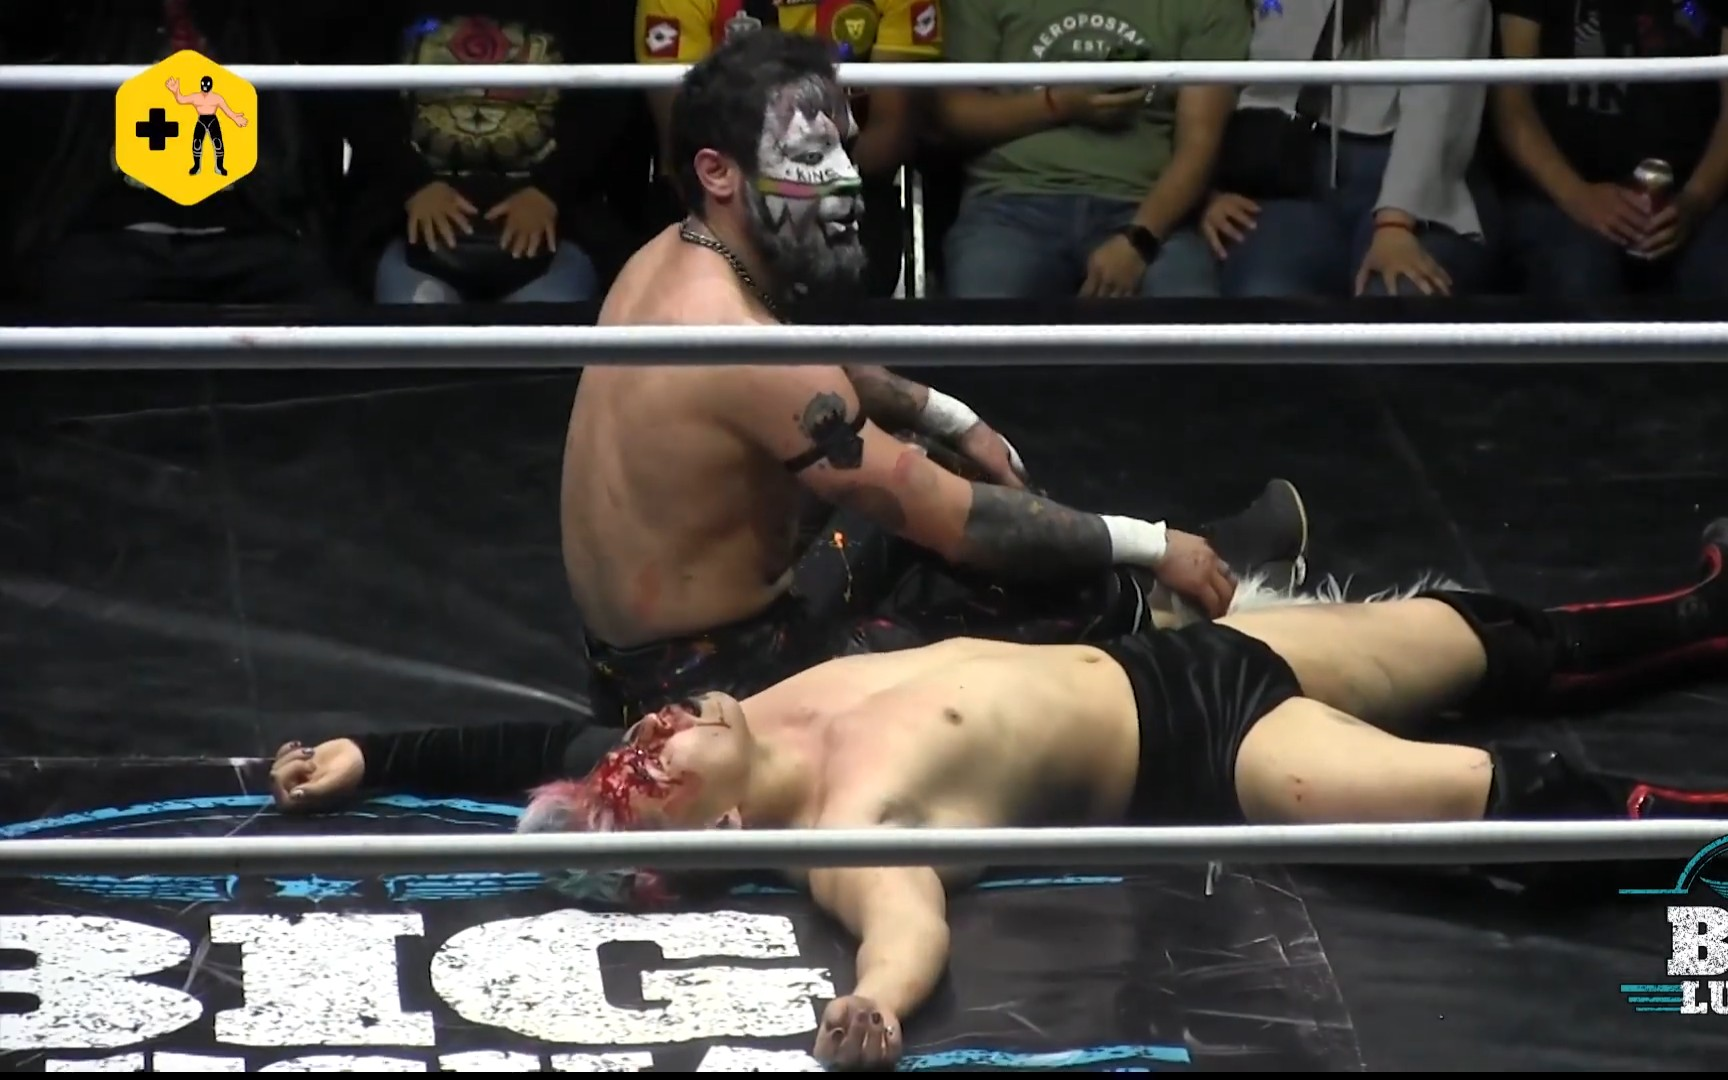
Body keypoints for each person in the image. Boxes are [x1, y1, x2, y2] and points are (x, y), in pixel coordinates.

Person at [273, 517, 1728, 1069]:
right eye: (650, 770)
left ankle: (1708, 608)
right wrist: (874, 1009)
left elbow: (538, 747)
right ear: (718, 828)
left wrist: (375, 757)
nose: (649, 733)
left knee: (1496, 637)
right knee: (1492, 798)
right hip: (1218, 756)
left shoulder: (761, 711)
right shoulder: (852, 829)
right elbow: (904, 929)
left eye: (640, 741)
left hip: (1181, 656)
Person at [561, 27, 1310, 755]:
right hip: (715, 700)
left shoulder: (671, 258)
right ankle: (1181, 601)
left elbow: (813, 373)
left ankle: (1169, 579)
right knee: (989, 586)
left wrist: (954, 417)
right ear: (718, 173)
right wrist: (1149, 541)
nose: (848, 178)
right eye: (812, 156)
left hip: (639, 663)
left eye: (845, 147)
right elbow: (956, 519)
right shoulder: (740, 340)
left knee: (938, 468)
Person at [1200, 0, 1499, 299]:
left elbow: (1437, 100)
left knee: (1396, 296)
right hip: (1293, 171)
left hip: (1412, 175)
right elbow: (1246, 63)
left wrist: (1396, 222)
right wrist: (1221, 184)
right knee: (1264, 291)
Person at [1491, 0, 1728, 299]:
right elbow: (1512, 105)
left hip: (1692, 197)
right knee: (1579, 274)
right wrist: (1577, 195)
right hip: (1557, 194)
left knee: (1719, 271)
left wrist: (1696, 199)